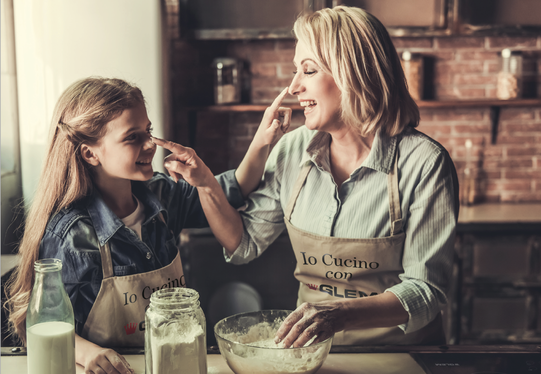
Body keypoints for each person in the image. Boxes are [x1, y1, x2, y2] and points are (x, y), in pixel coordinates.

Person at [168, 6, 459, 347]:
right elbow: (243, 244)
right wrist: (205, 184)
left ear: (354, 74)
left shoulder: (425, 163)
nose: (293, 87)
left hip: (400, 355)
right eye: (296, 72)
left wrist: (340, 315)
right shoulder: (292, 150)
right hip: (313, 352)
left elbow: (427, 290)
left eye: (308, 70)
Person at [5, 77, 291, 374]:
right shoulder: (71, 235)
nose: (150, 144)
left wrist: (263, 138)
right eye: (132, 137)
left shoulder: (162, 194)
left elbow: (230, 192)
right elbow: (41, 322)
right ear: (90, 153)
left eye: (148, 131)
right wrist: (90, 353)